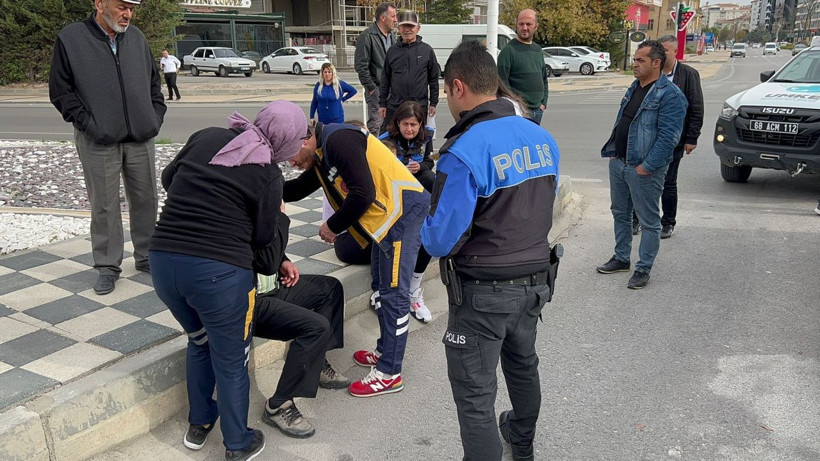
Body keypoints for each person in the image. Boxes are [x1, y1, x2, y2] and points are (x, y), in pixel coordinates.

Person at [421, 40, 561, 461]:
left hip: (483, 292)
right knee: (523, 366)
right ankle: (522, 443)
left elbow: (441, 239)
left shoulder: (463, 151)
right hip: (536, 281)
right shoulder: (542, 138)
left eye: (446, 91)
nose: (447, 100)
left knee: (475, 397)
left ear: (458, 87)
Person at [148, 100, 309, 461]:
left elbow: (169, 179)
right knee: (232, 357)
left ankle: (200, 423)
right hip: (218, 276)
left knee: (198, 340)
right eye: (297, 138)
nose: (297, 145)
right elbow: (267, 258)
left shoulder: (205, 136)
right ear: (284, 139)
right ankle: (238, 444)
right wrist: (282, 216)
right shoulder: (268, 173)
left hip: (163, 263)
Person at [283, 122, 429, 398]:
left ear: (304, 140)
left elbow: (364, 194)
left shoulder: (338, 140)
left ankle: (389, 373)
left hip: (403, 217)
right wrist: (261, 184)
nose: (290, 163)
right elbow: (296, 190)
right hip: (386, 224)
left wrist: (333, 226)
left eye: (289, 155)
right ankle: (386, 351)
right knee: (382, 289)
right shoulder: (322, 154)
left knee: (394, 295)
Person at [49, 0, 166, 295]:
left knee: (146, 199)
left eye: (131, 9)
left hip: (140, 136)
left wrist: (153, 118)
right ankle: (107, 265)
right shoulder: (71, 38)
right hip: (97, 140)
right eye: (121, 7)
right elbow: (60, 90)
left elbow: (154, 84)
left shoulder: (136, 38)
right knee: (104, 204)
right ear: (99, 4)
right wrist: (90, 124)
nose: (127, 15)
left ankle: (147, 256)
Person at [252, 204, 350, 439]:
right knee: (316, 327)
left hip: (273, 286)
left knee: (331, 289)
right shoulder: (240, 199)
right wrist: (281, 217)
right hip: (251, 302)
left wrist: (283, 261)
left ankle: (315, 365)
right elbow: (263, 255)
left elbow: (269, 252)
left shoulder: (258, 192)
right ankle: (279, 405)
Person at [596, 40, 687, 290]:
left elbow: (668, 138)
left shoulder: (671, 96)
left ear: (656, 63)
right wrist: (615, 154)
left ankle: (643, 268)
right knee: (620, 213)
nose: (634, 64)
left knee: (648, 221)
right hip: (620, 162)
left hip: (644, 169)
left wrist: (646, 167)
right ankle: (622, 258)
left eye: (640, 60)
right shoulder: (634, 87)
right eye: (634, 60)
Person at [378, 100, 436, 322]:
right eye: (405, 124)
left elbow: (430, 162)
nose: (410, 129)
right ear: (397, 123)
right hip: (391, 194)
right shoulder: (385, 141)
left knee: (432, 181)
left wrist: (421, 167)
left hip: (417, 191)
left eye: (414, 124)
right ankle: (380, 291)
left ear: (420, 124)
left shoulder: (425, 138)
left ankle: (414, 290)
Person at [654, 35, 704, 239]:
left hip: (674, 138)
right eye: (658, 49)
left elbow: (696, 107)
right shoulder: (652, 71)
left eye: (665, 49)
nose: (661, 53)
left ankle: (667, 222)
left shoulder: (688, 74)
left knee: (668, 181)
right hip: (650, 136)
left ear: (675, 51)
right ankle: (640, 218)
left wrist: (692, 138)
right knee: (643, 180)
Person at [378, 10, 439, 133]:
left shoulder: (427, 50)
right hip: (395, 105)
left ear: (418, 28)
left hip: (419, 105)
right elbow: (385, 79)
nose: (407, 29)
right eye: (403, 26)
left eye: (411, 26)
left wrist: (433, 102)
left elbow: (433, 79)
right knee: (390, 139)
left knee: (420, 139)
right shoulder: (392, 51)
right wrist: (382, 103)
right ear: (398, 28)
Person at [497, 8, 549, 125]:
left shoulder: (537, 50)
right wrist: (516, 106)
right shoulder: (508, 51)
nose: (524, 28)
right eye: (521, 24)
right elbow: (501, 84)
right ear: (516, 25)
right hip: (520, 112)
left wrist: (543, 103)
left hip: (538, 110)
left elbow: (544, 79)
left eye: (528, 24)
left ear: (536, 26)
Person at [354, 3, 397, 134]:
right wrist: (371, 88)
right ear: (383, 18)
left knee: (391, 125)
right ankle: (372, 152)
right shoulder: (367, 36)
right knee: (376, 126)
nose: (396, 20)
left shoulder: (392, 37)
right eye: (393, 16)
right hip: (377, 90)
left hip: (393, 90)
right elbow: (361, 66)